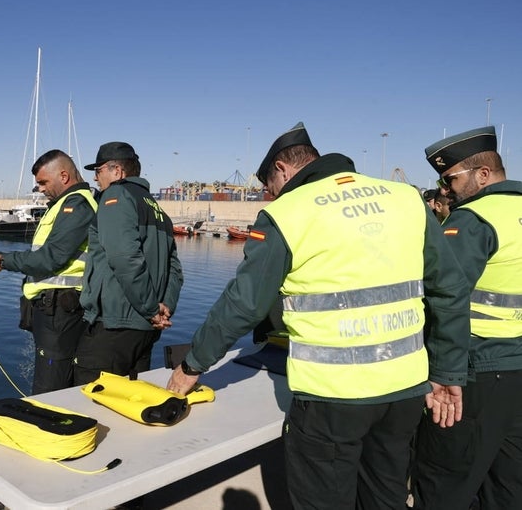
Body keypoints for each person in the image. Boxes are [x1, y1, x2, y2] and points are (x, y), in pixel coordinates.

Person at [166, 122, 470, 509]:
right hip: (405, 391)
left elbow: (243, 303)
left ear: (282, 169)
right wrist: (446, 372)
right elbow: (450, 289)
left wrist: (192, 365)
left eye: (268, 187)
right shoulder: (405, 199)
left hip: (332, 398)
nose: (269, 196)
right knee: (386, 497)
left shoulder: (289, 213)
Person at [411, 126, 522, 510]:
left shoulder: (475, 219)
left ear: (483, 174)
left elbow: (443, 297)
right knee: (509, 486)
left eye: (449, 178)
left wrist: (444, 375)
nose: (444, 189)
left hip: (475, 373)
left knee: (443, 482)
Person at [0, 149, 97, 395]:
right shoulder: (62, 205)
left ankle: (50, 429)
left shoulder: (77, 205)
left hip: (62, 310)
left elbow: (51, 258)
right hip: (53, 309)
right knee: (51, 383)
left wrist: (2, 261)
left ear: (64, 176)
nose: (40, 189)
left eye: (43, 182)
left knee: (50, 389)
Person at [74, 141, 183, 385]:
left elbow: (125, 257)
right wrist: (165, 305)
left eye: (99, 170)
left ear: (117, 171)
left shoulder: (115, 195)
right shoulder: (158, 210)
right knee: (130, 399)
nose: (95, 177)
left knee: (92, 399)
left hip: (114, 325)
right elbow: (174, 268)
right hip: (145, 330)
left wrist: (151, 309)